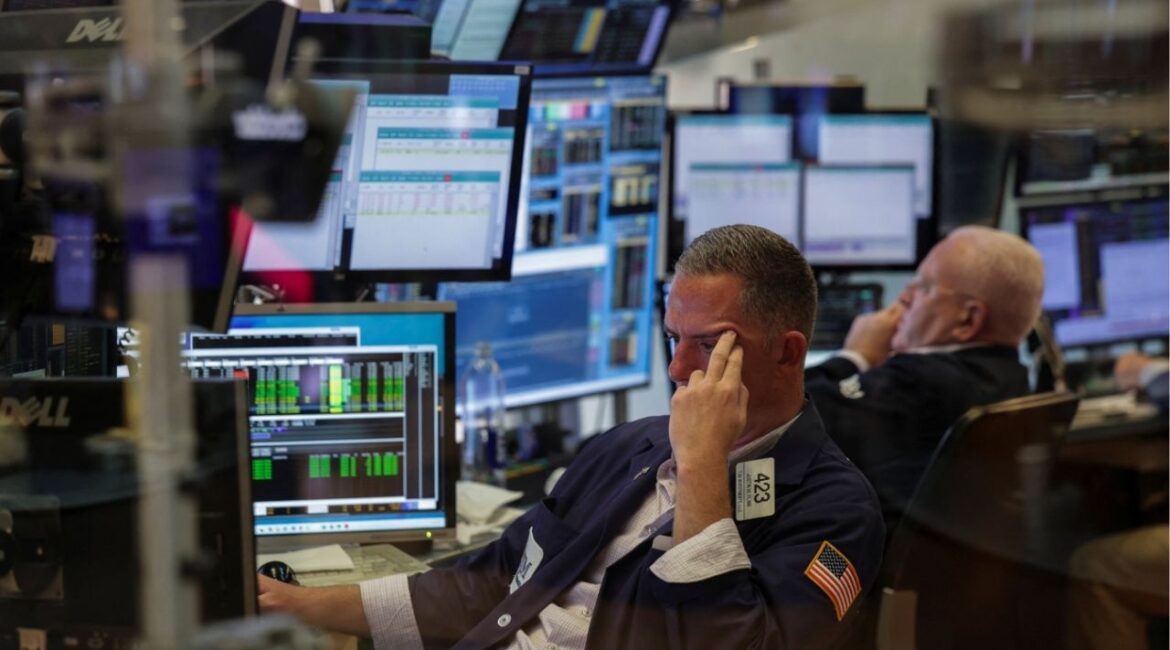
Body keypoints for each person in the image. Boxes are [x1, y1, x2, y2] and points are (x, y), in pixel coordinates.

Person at [258, 224, 885, 649]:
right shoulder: (630, 447)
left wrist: (701, 472)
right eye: (673, 339)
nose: (676, 369)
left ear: (786, 353)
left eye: (709, 344)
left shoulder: (835, 511)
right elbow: (495, 577)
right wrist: (307, 606)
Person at [804, 225, 1045, 530]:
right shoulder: (1014, 379)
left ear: (968, 318)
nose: (904, 299)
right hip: (951, 568)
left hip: (868, 569)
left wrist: (855, 356)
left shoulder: (918, 383)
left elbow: (786, 411)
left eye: (923, 287)